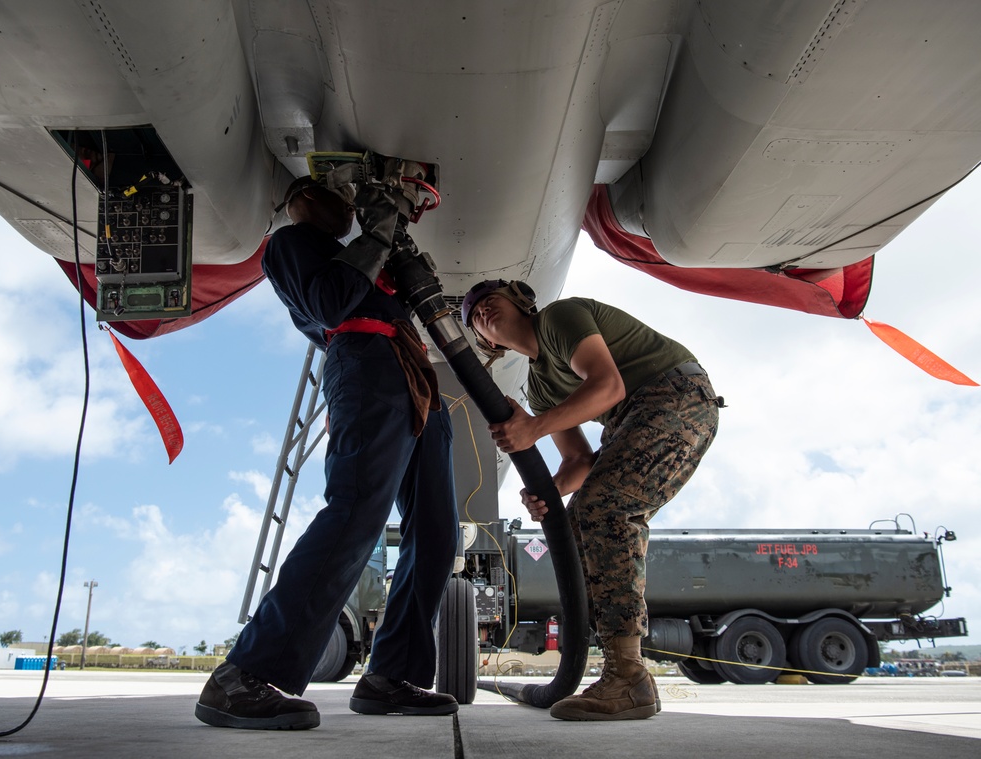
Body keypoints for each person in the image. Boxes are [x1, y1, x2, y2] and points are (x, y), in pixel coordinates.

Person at [195, 176, 460, 730]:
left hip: (411, 371)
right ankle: (242, 675)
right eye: (333, 197)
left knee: (437, 529)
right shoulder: (290, 247)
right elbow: (331, 302)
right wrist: (380, 229)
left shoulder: (353, 255)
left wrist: (393, 247)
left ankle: (391, 676)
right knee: (356, 510)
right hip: (367, 365)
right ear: (301, 203)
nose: (345, 207)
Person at [462, 280, 722, 721]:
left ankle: (627, 678)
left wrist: (532, 429)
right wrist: (545, 491)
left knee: (604, 507)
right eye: (473, 314)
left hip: (673, 396)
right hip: (632, 420)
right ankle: (627, 672)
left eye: (492, 299)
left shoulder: (559, 318)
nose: (481, 307)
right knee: (582, 514)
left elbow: (607, 387)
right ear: (487, 342)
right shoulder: (541, 388)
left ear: (520, 302)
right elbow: (578, 462)